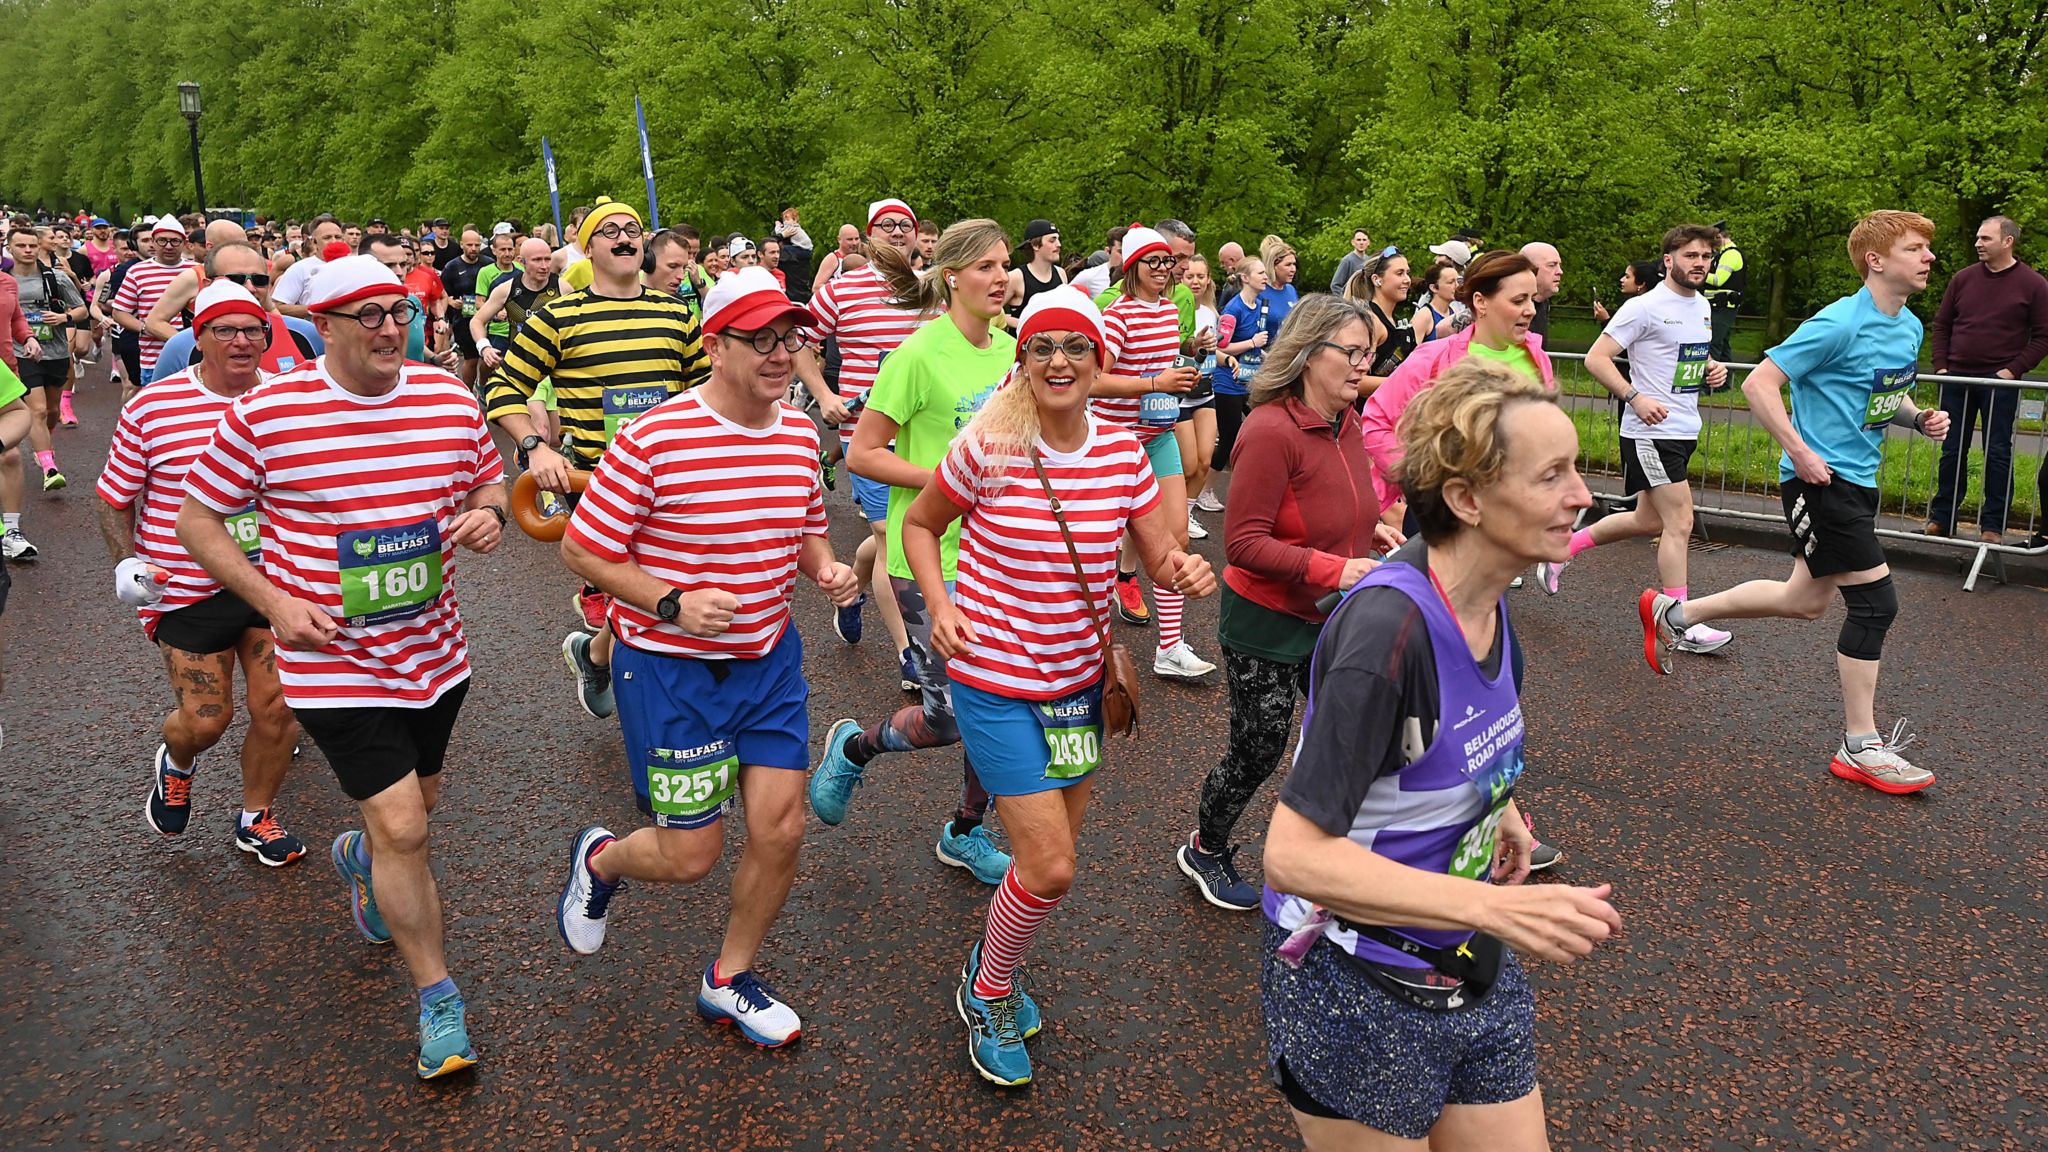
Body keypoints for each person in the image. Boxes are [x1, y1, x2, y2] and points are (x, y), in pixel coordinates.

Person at [1259, 358, 1619, 1148]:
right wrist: (1495, 905)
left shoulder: (1486, 598)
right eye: (1553, 475)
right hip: (1357, 981)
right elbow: (1292, 855)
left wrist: (1502, 807)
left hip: (1466, 958)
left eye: (1578, 470)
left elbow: (1451, 741)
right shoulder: (1387, 634)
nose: (1582, 497)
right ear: (1466, 499)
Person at [177, 255, 509, 1078]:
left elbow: (486, 480)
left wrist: (489, 516)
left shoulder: (445, 396)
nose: (389, 327)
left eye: (396, 310)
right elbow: (197, 519)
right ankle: (439, 1001)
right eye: (365, 315)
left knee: (417, 808)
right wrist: (277, 603)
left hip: (435, 654)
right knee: (404, 825)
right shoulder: (270, 413)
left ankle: (362, 860)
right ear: (320, 326)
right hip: (331, 660)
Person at [899, 286, 1216, 1085]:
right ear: (1023, 362)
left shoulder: (1118, 453)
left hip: (1077, 682)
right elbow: (920, 524)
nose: (1059, 361)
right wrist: (938, 605)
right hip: (994, 678)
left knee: (1054, 857)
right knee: (1051, 866)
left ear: (1099, 361)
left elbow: (1156, 553)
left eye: (1076, 347)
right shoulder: (988, 445)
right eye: (1042, 347)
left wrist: (1182, 566)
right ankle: (989, 985)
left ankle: (990, 958)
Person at [552, 266, 859, 1050]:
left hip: (768, 661)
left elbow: (802, 525)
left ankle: (728, 979)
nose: (780, 353)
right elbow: (585, 549)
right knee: (692, 855)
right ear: (714, 346)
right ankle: (605, 860)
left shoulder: (796, 432)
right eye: (759, 339)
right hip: (670, 669)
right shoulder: (652, 438)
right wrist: (670, 602)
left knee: (781, 830)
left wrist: (821, 566)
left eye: (787, 338)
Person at [1643, 211, 1951, 795]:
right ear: (1877, 261)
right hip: (1820, 483)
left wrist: (1918, 416)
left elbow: (1885, 392)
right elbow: (1760, 383)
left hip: (1859, 480)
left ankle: (1675, 614)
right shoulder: (1837, 321)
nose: (1929, 258)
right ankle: (1860, 745)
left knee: (1803, 600)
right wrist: (1801, 452)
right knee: (1875, 605)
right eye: (1916, 249)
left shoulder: (1907, 326)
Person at [808, 219, 1018, 884]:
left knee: (994, 707)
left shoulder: (1014, 352)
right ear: (952, 275)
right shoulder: (918, 355)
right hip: (925, 554)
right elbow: (864, 453)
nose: (1001, 278)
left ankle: (964, 831)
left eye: (1005, 265)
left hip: (996, 558)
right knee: (948, 719)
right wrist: (949, 479)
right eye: (985, 266)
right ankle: (856, 747)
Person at [1178, 296, 1401, 911]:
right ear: (1307, 355)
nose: (1363, 366)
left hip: (1333, 614)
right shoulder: (1271, 429)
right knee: (1260, 746)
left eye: (1369, 353)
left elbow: (1340, 499)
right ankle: (1207, 847)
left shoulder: (1345, 420)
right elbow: (1243, 544)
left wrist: (1372, 526)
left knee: (1351, 730)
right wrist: (1336, 564)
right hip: (1267, 623)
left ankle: (1336, 853)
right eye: (1351, 352)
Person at [98, 280, 306, 866]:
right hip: (185, 588)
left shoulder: (292, 398)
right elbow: (114, 497)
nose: (242, 342)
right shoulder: (152, 406)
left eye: (253, 331)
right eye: (225, 330)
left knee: (280, 709)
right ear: (198, 335)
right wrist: (127, 560)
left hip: (272, 583)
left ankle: (256, 817)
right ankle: (178, 760)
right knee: (206, 720)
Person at [485, 197, 709, 719]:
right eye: (609, 230)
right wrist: (533, 444)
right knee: (647, 582)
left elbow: (705, 393)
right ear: (588, 247)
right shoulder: (559, 316)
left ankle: (596, 652)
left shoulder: (677, 314)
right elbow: (505, 387)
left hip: (670, 478)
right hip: (595, 479)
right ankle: (660, 715)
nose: (624, 236)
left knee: (654, 582)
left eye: (633, 228)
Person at [1540, 225, 1735, 656]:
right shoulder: (1643, 307)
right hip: (1651, 431)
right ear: (1669, 260)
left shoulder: (1702, 306)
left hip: (1683, 427)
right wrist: (1634, 396)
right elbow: (1596, 358)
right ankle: (1679, 620)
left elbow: (1686, 359)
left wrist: (1712, 369)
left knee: (1648, 521)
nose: (1699, 263)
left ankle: (1561, 550)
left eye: (1706, 256)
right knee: (1680, 522)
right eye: (1690, 256)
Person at [793, 198, 926, 678]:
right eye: (885, 225)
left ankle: (852, 583)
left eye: (904, 225)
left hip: (922, 433)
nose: (896, 232)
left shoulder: (930, 291)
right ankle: (909, 652)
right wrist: (824, 394)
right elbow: (800, 345)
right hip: (865, 431)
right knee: (894, 534)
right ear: (869, 235)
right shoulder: (841, 290)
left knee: (894, 531)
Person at [1094, 226, 1217, 678]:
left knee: (1176, 540)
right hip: (1113, 443)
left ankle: (1170, 648)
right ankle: (1090, 647)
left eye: (1169, 262)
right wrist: (1153, 384)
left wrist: (1186, 359)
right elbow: (1091, 381)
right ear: (1133, 267)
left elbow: (1161, 361)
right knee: (1099, 549)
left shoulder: (1169, 311)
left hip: (1158, 435)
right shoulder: (1116, 316)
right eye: (1155, 262)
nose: (1166, 270)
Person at [1361, 250, 1555, 520]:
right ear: (1481, 302)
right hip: (1442, 517)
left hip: (1507, 517)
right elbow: (1376, 419)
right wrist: (1419, 479)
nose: (1531, 310)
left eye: (1532, 299)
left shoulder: (1537, 360)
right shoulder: (1433, 358)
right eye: (1519, 300)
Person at [1926, 215, 2048, 544]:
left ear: (2007, 242)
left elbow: (2043, 337)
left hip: (2000, 384)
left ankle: (1993, 526)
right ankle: (1942, 518)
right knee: (1952, 450)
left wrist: (2010, 372)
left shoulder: (2034, 285)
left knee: (1996, 452)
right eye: (1978, 238)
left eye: (1986, 239)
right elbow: (1942, 325)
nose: (1978, 243)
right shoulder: (1963, 279)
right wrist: (1941, 368)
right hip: (1955, 380)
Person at [144, 242, 323, 383]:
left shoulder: (306, 334)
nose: (250, 288)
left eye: (259, 280)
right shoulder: (180, 347)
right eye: (236, 279)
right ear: (207, 285)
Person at [9, 228, 86, 491]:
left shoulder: (57, 278)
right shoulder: (4, 281)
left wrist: (63, 318)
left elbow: (81, 309)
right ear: (11, 249)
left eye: (32, 245)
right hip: (22, 353)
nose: (28, 250)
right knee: (37, 410)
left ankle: (43, 445)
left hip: (56, 350)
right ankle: (49, 468)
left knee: (52, 411)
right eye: (22, 246)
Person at [1212, 256, 1272, 489]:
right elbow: (1220, 347)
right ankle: (1203, 492)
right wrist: (1252, 343)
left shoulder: (1260, 305)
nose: (1265, 277)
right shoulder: (1233, 308)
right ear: (1245, 278)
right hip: (1228, 382)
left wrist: (1267, 357)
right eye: (1260, 273)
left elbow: (1256, 346)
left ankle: (1251, 486)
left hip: (1251, 381)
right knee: (1229, 440)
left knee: (1263, 431)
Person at [472, 237, 559, 373]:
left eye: (547, 259)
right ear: (521, 261)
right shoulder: (506, 289)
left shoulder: (563, 287)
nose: (544, 266)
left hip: (555, 364)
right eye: (536, 260)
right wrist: (484, 348)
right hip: (519, 362)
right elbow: (477, 321)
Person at [1181, 253, 1223, 526]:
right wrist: (1192, 344)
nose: (1195, 282)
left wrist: (1226, 358)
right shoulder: (1173, 310)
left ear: (1208, 280)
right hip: (1180, 396)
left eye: (1200, 276)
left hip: (1205, 391)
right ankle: (1170, 512)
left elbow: (1213, 350)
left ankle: (1185, 514)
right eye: (1189, 276)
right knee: (1187, 465)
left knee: (1205, 462)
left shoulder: (1210, 313)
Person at [1354, 247, 1414, 397]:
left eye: (1408, 273)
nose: (1407, 280)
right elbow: (1357, 381)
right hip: (1368, 415)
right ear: (1377, 280)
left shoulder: (1396, 321)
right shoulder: (1371, 320)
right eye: (1399, 273)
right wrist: (1406, 383)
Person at [439, 229, 489, 390]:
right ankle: (466, 391)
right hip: (464, 319)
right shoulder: (452, 267)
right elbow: (442, 293)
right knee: (472, 358)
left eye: (477, 245)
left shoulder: (488, 263)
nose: (473, 248)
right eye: (469, 245)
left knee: (489, 357)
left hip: (489, 317)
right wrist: (452, 302)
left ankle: (483, 387)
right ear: (461, 245)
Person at [270, 217, 345, 320]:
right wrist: (315, 309)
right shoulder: (300, 268)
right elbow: (277, 307)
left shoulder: (355, 266)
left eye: (338, 237)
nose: (333, 241)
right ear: (314, 242)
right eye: (327, 237)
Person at [1703, 220, 1746, 361]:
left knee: (1714, 344)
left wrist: (1699, 274)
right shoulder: (1722, 254)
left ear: (1719, 237)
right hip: (1717, 306)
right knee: (1723, 345)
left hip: (1724, 306)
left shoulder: (1731, 255)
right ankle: (1725, 382)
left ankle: (1711, 381)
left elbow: (1718, 280)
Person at [1005, 219, 1066, 318]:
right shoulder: (1016, 277)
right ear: (1035, 245)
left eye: (1058, 239)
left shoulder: (1061, 274)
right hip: (1024, 333)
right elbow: (992, 313)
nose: (1059, 244)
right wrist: (1023, 324)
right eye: (1052, 240)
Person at [1412, 259, 1461, 344]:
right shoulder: (1424, 315)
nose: (1457, 286)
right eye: (1450, 282)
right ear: (1434, 288)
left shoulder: (1453, 313)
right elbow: (1411, 352)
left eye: (1458, 281)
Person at [1520, 242, 1562, 341]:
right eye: (1552, 265)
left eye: (1559, 265)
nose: (1560, 271)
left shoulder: (1544, 303)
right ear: (1529, 268)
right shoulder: (1508, 305)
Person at [811, 223, 863, 295]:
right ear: (839, 239)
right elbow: (816, 287)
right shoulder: (833, 258)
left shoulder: (862, 257)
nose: (854, 243)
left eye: (857, 239)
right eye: (850, 239)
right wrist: (842, 291)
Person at [1329, 228, 1373, 296]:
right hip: (1351, 304)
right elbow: (1335, 285)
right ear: (1353, 242)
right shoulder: (1347, 260)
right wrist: (1345, 301)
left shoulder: (1369, 261)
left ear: (1368, 242)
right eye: (1358, 240)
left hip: (1366, 303)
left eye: (1364, 240)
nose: (1361, 242)